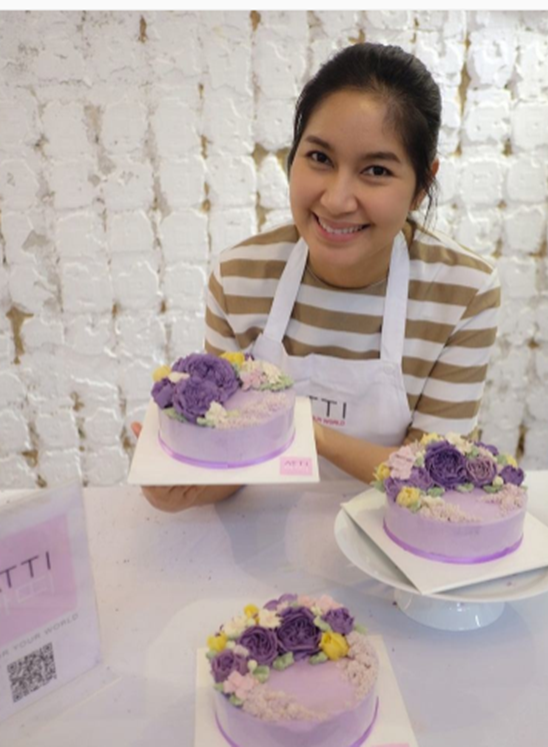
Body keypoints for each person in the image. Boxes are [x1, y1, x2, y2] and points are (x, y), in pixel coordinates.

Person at [137, 43, 500, 512]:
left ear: (421, 186)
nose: (336, 200)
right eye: (320, 158)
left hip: (393, 533)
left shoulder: (463, 292)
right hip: (268, 529)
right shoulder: (238, 279)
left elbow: (434, 480)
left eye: (376, 170)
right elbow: (234, 458)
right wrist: (184, 483)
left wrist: (307, 432)